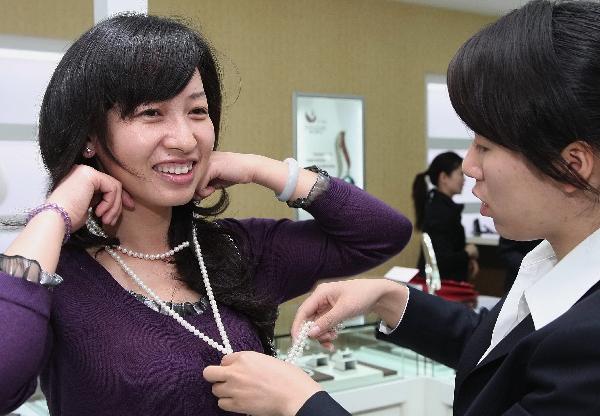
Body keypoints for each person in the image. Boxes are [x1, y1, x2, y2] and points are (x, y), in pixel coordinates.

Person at [0, 14, 413, 415]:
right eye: (151, 113)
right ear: (90, 136)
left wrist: (261, 169)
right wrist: (55, 211)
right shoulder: (56, 277)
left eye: (197, 112)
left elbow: (382, 234)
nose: (184, 139)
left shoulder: (236, 249)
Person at [203, 1, 600, 414]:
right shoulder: (554, 263)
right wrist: (387, 297)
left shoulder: (590, 344)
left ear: (572, 165)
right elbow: (498, 353)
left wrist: (300, 402)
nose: (468, 165)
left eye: (485, 146)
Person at [412, 151, 479, 282]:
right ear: (444, 177)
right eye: (460, 174)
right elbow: (441, 260)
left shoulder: (439, 206)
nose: (464, 180)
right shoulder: (440, 211)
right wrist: (468, 252)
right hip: (441, 287)